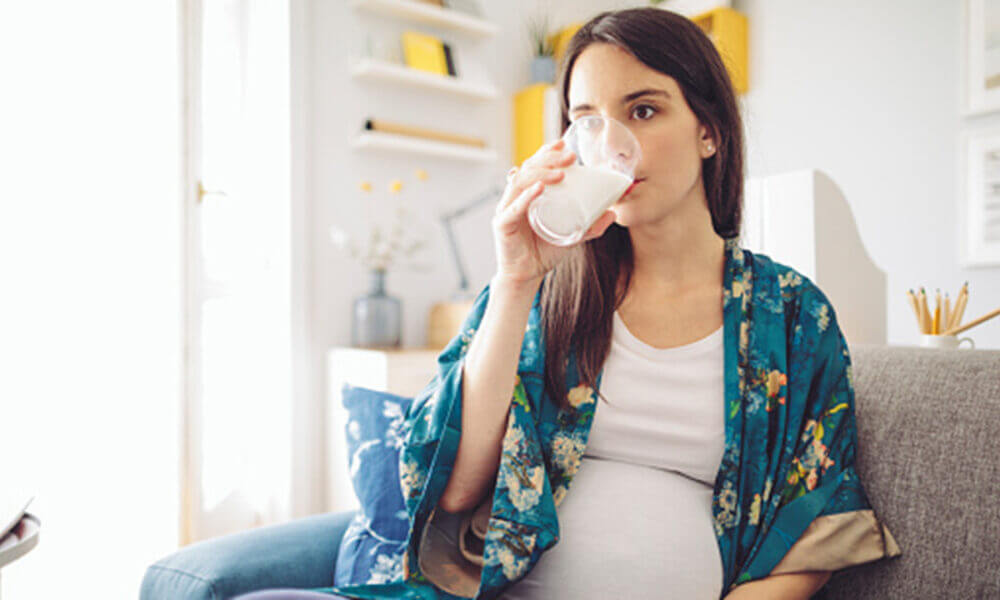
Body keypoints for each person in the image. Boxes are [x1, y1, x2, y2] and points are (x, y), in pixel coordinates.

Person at [238, 7, 901, 600]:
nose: (612, 143)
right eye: (587, 120)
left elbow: (810, 532)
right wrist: (515, 280)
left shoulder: (789, 314)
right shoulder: (550, 292)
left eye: (643, 110)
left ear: (710, 132)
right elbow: (459, 490)